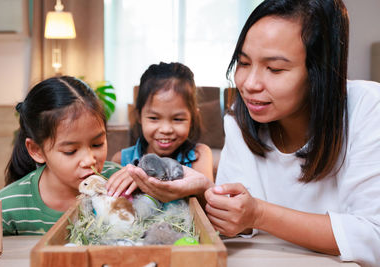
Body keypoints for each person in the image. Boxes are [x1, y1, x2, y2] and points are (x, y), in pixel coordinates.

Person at [127, 0, 380, 266]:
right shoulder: (240, 117)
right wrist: (205, 192)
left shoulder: (368, 108)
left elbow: (373, 236)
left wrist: (259, 214)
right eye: (244, 62)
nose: (249, 84)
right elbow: (239, 228)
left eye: (275, 69)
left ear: (321, 71)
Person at [0, 76, 121, 235]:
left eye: (97, 144)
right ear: (36, 150)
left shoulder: (117, 181)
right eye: (71, 151)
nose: (89, 160)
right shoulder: (6, 208)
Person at [106, 62, 213, 197]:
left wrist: (198, 186)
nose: (166, 129)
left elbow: (207, 208)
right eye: (154, 118)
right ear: (139, 116)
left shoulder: (199, 155)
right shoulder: (121, 159)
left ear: (192, 118)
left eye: (178, 119)